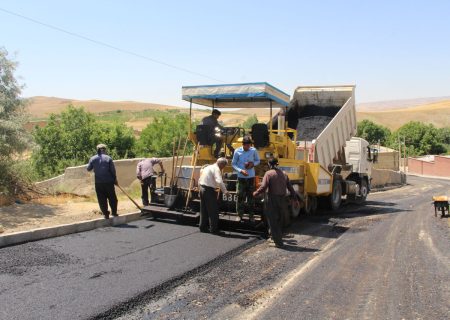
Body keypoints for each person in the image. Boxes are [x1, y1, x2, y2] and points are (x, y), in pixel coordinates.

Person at [253, 158, 298, 248]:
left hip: (272, 199)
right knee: (279, 219)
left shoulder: (268, 173)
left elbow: (263, 187)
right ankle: (276, 238)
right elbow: (290, 188)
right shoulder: (284, 174)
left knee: (272, 220)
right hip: (283, 200)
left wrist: (255, 193)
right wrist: (295, 199)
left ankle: (278, 243)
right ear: (277, 164)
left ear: (269, 164)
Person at [231, 136, 260, 221]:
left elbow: (258, 160)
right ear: (243, 144)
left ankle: (251, 216)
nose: (248, 147)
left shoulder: (253, 150)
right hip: (241, 178)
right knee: (240, 196)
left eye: (249, 145)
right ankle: (239, 215)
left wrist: (252, 164)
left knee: (251, 197)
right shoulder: (237, 151)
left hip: (251, 178)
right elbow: (233, 164)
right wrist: (240, 170)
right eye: (246, 145)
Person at [198, 157, 229, 235]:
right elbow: (219, 181)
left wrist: (199, 190)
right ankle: (214, 229)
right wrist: (225, 191)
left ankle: (202, 227)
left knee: (204, 209)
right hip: (209, 190)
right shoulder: (216, 169)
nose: (223, 168)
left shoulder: (208, 167)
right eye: (224, 166)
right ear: (221, 164)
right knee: (213, 210)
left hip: (202, 188)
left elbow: (200, 179)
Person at [87, 144, 118, 219]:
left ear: (97, 150)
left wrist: (95, 168)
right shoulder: (108, 158)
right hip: (109, 182)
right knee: (112, 198)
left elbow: (88, 169)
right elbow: (113, 171)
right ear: (105, 150)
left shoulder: (93, 159)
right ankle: (114, 212)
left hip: (98, 183)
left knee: (101, 199)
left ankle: (105, 214)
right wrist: (115, 180)